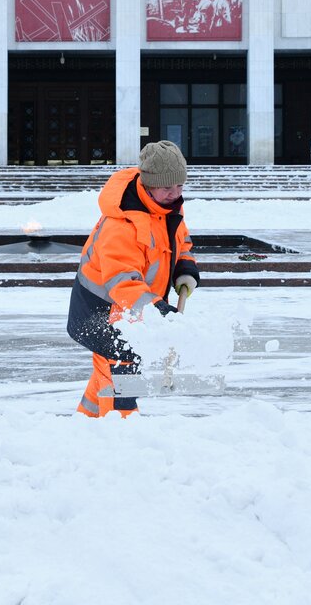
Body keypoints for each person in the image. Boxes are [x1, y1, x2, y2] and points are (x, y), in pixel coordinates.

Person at [67, 140, 200, 417]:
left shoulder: (168, 207)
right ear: (148, 185)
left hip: (129, 310)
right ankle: (122, 434)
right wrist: (159, 310)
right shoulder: (122, 225)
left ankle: (86, 423)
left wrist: (185, 268)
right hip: (99, 312)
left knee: (107, 374)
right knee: (122, 376)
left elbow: (180, 240)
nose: (175, 194)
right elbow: (123, 282)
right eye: (167, 188)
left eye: (180, 187)